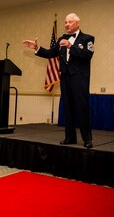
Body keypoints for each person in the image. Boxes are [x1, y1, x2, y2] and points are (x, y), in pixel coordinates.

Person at [23, 13, 95, 148]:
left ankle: (87, 139)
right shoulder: (62, 39)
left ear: (77, 23)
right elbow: (51, 53)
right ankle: (70, 137)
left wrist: (70, 46)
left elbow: (87, 55)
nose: (66, 24)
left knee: (82, 107)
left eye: (70, 22)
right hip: (65, 77)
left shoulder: (87, 38)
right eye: (65, 22)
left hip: (80, 78)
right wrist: (37, 48)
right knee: (68, 107)